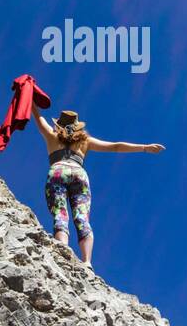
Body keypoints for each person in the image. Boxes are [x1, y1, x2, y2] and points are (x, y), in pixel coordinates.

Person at [33, 108, 164, 268]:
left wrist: (29, 96)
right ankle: (87, 261)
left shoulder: (51, 136)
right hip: (79, 175)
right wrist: (144, 147)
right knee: (82, 217)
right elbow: (115, 146)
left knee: (60, 214)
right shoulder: (85, 141)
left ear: (58, 125)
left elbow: (39, 119)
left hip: (58, 171)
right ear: (78, 127)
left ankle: (62, 249)